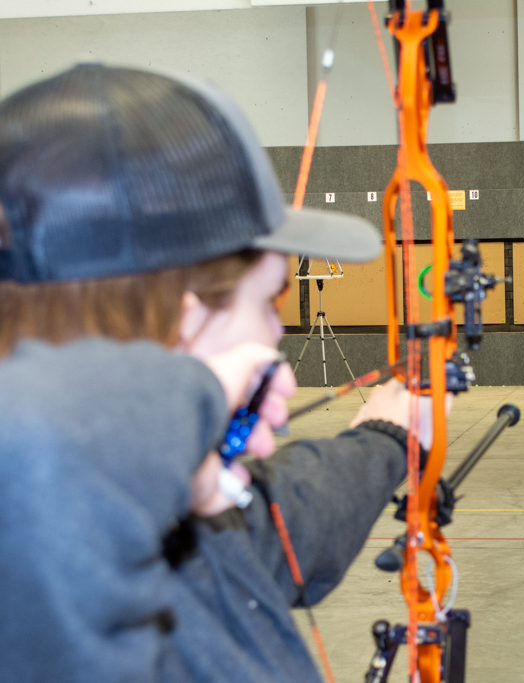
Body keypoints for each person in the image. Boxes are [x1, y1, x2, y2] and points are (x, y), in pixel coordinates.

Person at [0, 64, 434, 681]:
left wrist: (387, 437)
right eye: (269, 303)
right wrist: (181, 399)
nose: (275, 334)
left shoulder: (150, 502)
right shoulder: (48, 541)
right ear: (187, 321)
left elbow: (272, 526)